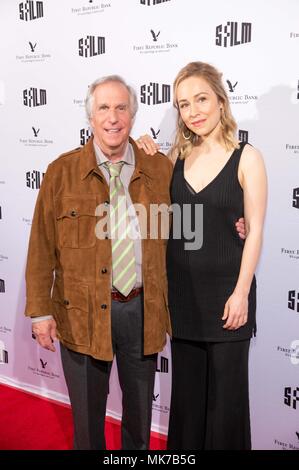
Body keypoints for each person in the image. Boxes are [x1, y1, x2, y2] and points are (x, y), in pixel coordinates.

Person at [24, 75, 173, 450]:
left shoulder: (159, 171)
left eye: (121, 108)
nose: (113, 117)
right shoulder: (61, 172)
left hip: (141, 312)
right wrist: (41, 312)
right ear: (90, 118)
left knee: (139, 421)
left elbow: (191, 223)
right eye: (104, 108)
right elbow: (41, 245)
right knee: (88, 427)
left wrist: (235, 224)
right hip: (81, 314)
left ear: (132, 117)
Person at [138, 61, 267, 450]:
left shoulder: (248, 158)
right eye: (183, 104)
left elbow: (255, 229)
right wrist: (146, 154)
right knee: (188, 403)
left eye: (201, 99)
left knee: (226, 404)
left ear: (221, 101)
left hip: (229, 297)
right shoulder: (175, 157)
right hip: (183, 299)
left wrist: (241, 292)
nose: (193, 111)